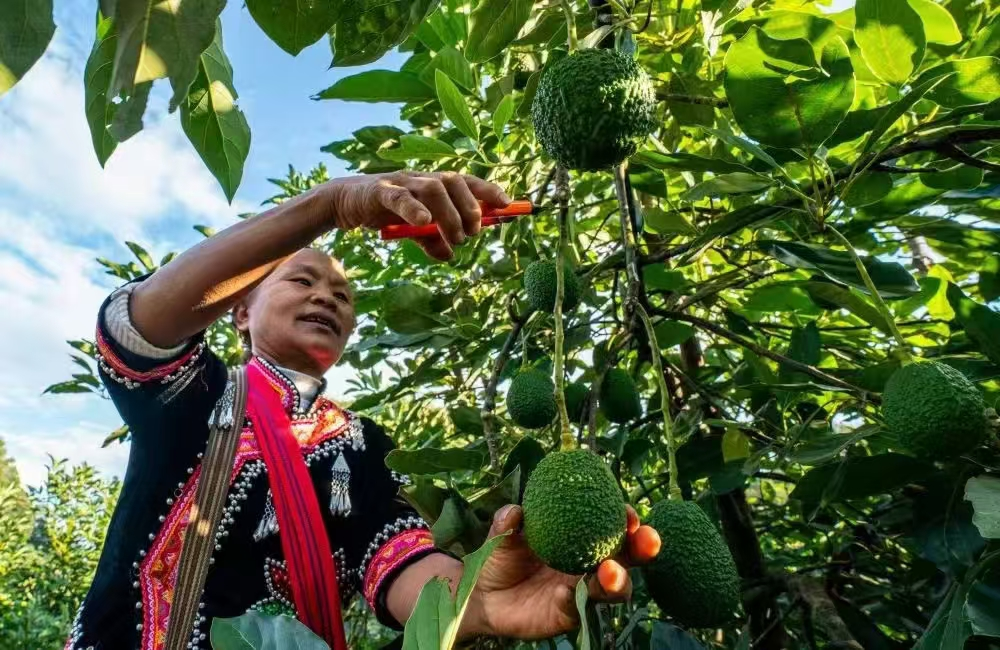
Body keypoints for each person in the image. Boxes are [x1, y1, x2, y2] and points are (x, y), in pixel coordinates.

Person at [67, 170, 661, 650]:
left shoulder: (360, 440)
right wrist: (328, 205)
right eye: (300, 281)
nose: (326, 295)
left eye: (343, 295)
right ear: (241, 313)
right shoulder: (197, 394)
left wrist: (475, 600)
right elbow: (138, 328)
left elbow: (391, 555)